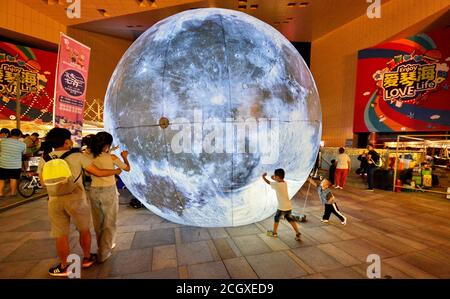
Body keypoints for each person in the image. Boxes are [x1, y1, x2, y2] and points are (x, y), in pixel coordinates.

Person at [37, 128, 122, 277]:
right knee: (84, 230)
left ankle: (64, 266)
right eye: (70, 138)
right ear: (66, 141)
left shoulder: (45, 157)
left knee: (60, 235)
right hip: (76, 199)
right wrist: (117, 172)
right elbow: (98, 172)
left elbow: (43, 182)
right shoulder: (77, 156)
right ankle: (87, 258)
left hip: (54, 201)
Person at [88, 132, 130, 263]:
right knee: (109, 222)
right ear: (107, 145)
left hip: (94, 190)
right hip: (109, 191)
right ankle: (104, 253)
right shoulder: (111, 157)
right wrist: (124, 157)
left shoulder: (87, 156)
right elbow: (127, 168)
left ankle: (102, 246)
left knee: (98, 222)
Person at [262, 169, 301, 241]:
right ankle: (297, 232)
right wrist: (274, 177)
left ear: (277, 177)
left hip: (282, 207)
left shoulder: (277, 185)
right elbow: (276, 180)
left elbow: (268, 182)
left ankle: (274, 232)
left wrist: (263, 177)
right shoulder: (284, 183)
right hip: (288, 206)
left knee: (276, 218)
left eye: (275, 176)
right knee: (290, 219)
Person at [0, 129, 26, 197]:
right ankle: (12, 193)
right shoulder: (23, 144)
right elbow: (24, 153)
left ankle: (0, 193)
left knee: (1, 179)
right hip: (15, 165)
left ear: (11, 134)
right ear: (19, 135)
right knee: (13, 178)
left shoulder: (2, 141)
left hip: (3, 163)